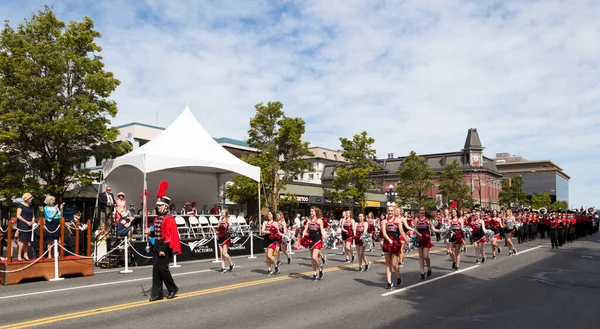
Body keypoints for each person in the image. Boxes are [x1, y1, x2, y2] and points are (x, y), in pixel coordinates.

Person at [147, 181, 182, 302]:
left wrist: (163, 249)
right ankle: (157, 294)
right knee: (156, 270)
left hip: (165, 246)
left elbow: (169, 236)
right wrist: (149, 232)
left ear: (166, 206)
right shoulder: (157, 217)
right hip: (157, 244)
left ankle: (173, 288)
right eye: (158, 205)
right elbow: (158, 231)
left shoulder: (169, 219)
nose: (158, 207)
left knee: (163, 269)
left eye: (160, 205)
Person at [381, 204, 408, 290]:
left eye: (391, 210)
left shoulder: (397, 221)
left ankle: (398, 275)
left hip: (395, 243)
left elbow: (401, 231)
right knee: (388, 264)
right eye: (388, 211)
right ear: (387, 212)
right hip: (387, 243)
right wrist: (389, 240)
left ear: (394, 211)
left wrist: (407, 239)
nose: (390, 212)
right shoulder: (384, 222)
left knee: (394, 264)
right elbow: (384, 233)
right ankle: (389, 282)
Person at [302, 206, 326, 281]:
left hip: (317, 240)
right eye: (310, 211)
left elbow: (322, 230)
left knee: (314, 256)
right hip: (310, 240)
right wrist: (303, 235)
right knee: (312, 258)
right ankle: (314, 273)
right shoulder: (309, 221)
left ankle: (320, 267)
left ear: (315, 212)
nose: (311, 212)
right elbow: (305, 230)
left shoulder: (319, 221)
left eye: (312, 211)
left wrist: (324, 237)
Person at [16, 193, 35, 262]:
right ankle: (19, 255)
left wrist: (32, 221)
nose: (31, 199)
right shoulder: (20, 205)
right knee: (22, 240)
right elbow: (18, 215)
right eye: (30, 198)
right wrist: (26, 222)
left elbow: (33, 216)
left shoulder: (31, 207)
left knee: (27, 240)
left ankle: (25, 254)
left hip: (29, 224)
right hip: (23, 224)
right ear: (26, 198)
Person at [216, 208, 235, 273]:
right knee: (221, 253)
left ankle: (231, 264)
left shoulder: (228, 219)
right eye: (221, 212)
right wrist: (217, 227)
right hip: (220, 236)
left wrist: (228, 227)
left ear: (226, 213)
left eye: (223, 212)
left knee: (225, 253)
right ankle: (223, 267)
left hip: (226, 237)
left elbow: (232, 227)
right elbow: (218, 227)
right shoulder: (220, 219)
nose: (221, 213)